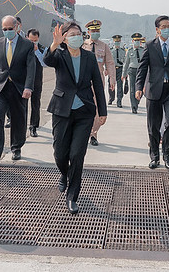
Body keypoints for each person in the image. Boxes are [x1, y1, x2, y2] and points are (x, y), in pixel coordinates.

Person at [44, 21, 106, 214]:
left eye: (78, 33)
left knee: (77, 154)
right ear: (64, 38)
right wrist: (54, 44)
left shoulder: (89, 57)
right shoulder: (60, 55)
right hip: (62, 110)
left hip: (84, 112)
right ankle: (64, 173)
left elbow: (97, 84)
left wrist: (102, 111)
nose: (76, 36)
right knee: (60, 153)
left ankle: (72, 197)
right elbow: (47, 60)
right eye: (71, 34)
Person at [0, 15, 35, 163]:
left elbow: (31, 68)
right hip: (2, 87)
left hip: (19, 88)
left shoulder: (27, 45)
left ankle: (16, 147)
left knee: (18, 119)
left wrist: (28, 87)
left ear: (17, 27)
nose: (7, 32)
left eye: (10, 29)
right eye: (4, 29)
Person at [136, 15, 169, 170]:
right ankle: (155, 157)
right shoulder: (150, 46)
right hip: (154, 90)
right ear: (157, 29)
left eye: (168, 26)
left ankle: (167, 154)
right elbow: (143, 68)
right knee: (153, 126)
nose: (166, 29)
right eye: (163, 27)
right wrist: (139, 87)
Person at [82, 20, 115, 146]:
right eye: (93, 31)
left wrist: (112, 78)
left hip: (98, 80)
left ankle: (93, 134)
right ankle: (83, 131)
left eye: (98, 31)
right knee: (84, 107)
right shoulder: (82, 45)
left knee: (96, 108)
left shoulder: (103, 46)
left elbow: (110, 63)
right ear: (88, 32)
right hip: (83, 80)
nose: (96, 33)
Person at [27, 28, 46, 137]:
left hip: (37, 81)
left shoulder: (42, 48)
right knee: (22, 104)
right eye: (31, 40)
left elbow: (44, 62)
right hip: (24, 81)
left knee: (35, 104)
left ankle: (33, 126)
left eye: (35, 40)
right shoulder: (23, 47)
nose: (33, 42)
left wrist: (36, 50)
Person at [122, 33, 145, 113]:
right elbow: (126, 63)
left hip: (141, 71)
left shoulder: (143, 50)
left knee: (140, 89)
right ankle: (134, 106)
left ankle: (137, 102)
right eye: (135, 40)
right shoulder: (129, 51)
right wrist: (124, 74)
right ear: (132, 41)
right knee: (132, 89)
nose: (137, 42)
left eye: (138, 40)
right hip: (132, 71)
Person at [110, 34, 126, 107]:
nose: (117, 43)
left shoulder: (123, 51)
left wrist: (125, 72)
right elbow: (108, 61)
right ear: (113, 42)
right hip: (112, 69)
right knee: (111, 84)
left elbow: (125, 61)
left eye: (118, 41)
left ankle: (119, 101)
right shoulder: (110, 50)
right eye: (116, 41)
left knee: (120, 86)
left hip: (120, 69)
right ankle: (111, 98)